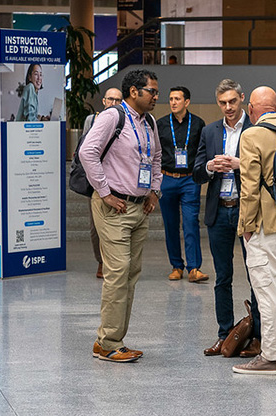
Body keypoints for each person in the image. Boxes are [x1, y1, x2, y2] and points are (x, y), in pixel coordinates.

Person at [79, 69, 162, 363]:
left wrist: (154, 190)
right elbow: (87, 152)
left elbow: (155, 158)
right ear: (134, 92)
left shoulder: (149, 121)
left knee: (130, 274)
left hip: (139, 206)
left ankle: (110, 339)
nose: (156, 96)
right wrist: (104, 192)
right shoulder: (114, 117)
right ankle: (109, 342)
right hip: (114, 206)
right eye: (151, 91)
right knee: (117, 274)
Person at [232, 86, 276, 375]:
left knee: (267, 290)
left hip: (266, 225)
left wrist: (246, 226)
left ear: (251, 109)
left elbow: (249, 187)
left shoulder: (251, 135)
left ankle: (269, 357)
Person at [194, 79, 261, 358]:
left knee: (255, 275)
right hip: (219, 209)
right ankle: (225, 335)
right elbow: (197, 172)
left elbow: (267, 169)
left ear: (242, 98)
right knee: (223, 277)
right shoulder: (210, 132)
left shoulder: (256, 130)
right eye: (222, 102)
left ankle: (257, 337)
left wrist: (238, 165)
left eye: (233, 101)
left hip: (248, 210)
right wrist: (210, 166)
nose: (228, 107)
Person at [155, 86, 208, 283]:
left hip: (189, 180)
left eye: (177, 99)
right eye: (170, 99)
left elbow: (203, 151)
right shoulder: (160, 124)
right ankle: (176, 266)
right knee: (170, 225)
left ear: (187, 102)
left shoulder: (198, 124)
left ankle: (194, 268)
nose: (173, 102)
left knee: (190, 223)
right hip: (167, 178)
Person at [82, 87, 124, 279]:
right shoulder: (91, 120)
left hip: (118, 179)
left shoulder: (125, 122)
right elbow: (85, 148)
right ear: (104, 101)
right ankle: (100, 261)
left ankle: (114, 261)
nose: (114, 103)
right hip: (96, 181)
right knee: (95, 226)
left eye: (118, 100)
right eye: (110, 99)